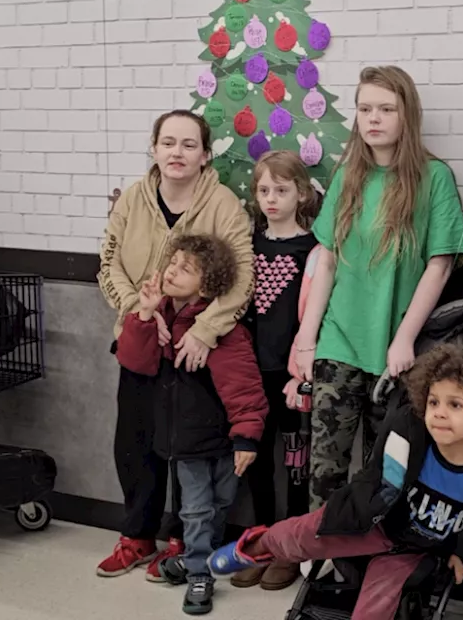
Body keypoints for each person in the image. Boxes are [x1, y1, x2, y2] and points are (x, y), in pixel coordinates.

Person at [207, 344, 463, 620]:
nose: (439, 413)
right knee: (299, 535)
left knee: (377, 604)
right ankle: (251, 547)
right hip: (376, 522)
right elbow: (374, 485)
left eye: (455, 405)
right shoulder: (413, 446)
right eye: (433, 402)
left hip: (420, 550)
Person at [292, 66, 463, 509]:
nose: (373, 118)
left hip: (397, 352)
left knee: (383, 472)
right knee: (324, 468)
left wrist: (405, 337)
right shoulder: (348, 175)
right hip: (339, 340)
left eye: (386, 109)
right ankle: (318, 563)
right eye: (365, 108)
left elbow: (441, 264)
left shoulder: (434, 178)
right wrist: (306, 337)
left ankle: (367, 568)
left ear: (406, 115)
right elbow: (328, 260)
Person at [97, 110, 255, 582]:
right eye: (168, 143)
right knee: (136, 441)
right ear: (154, 149)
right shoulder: (131, 198)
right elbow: (107, 262)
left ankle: (182, 541)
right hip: (141, 340)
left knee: (190, 449)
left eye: (189, 145)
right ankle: (137, 536)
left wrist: (203, 330)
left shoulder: (223, 204)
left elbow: (242, 275)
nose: (177, 153)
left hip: (195, 353)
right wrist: (138, 312)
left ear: (206, 155)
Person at [116, 234, 268, 615]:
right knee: (196, 511)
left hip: (224, 439)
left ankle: (197, 559)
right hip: (184, 443)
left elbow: (243, 386)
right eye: (173, 263)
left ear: (209, 282)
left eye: (187, 269)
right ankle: (201, 573)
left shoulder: (219, 326)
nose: (173, 271)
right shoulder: (160, 316)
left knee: (220, 505)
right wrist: (146, 314)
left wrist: (247, 438)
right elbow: (135, 361)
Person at [233, 150, 325, 591]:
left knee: (296, 464)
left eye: (282, 190)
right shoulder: (249, 246)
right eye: (263, 190)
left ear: (301, 193)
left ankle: (291, 546)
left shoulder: (314, 250)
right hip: (253, 377)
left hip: (294, 379)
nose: (271, 198)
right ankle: (262, 541)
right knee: (255, 460)